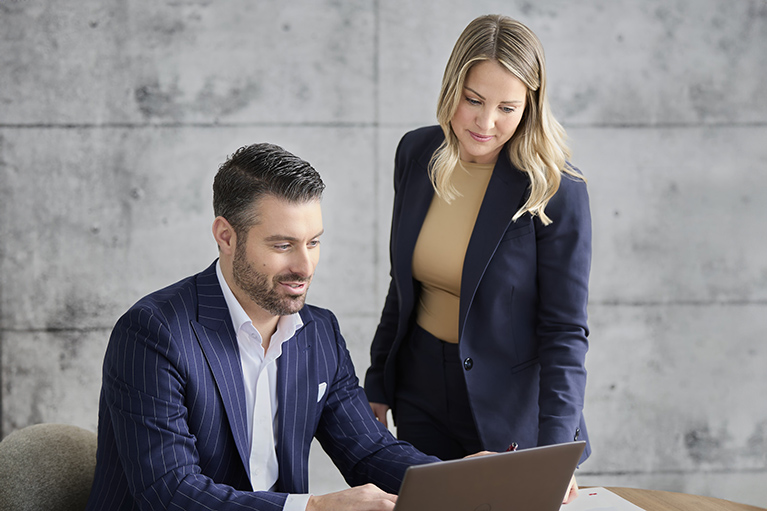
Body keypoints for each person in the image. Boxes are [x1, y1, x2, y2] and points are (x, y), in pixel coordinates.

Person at [86, 143, 441, 511]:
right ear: (226, 236)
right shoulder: (153, 333)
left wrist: (457, 479)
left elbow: (369, 450)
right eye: (283, 245)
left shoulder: (319, 332)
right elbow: (170, 491)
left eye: (313, 242)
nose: (305, 267)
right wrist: (315, 507)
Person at [364, 14, 591, 504]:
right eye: (474, 100)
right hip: (420, 390)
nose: (486, 123)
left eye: (507, 107)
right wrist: (379, 379)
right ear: (453, 89)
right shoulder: (416, 152)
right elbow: (402, 284)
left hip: (510, 409)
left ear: (530, 105)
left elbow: (565, 330)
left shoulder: (556, 189)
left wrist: (554, 449)